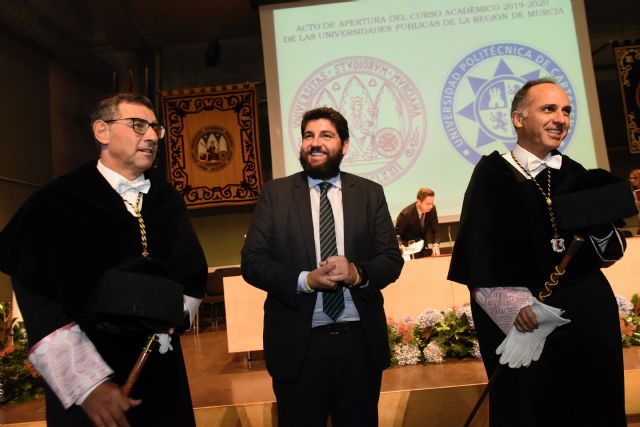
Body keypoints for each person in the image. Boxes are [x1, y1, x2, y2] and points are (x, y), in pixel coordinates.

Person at [0, 93, 207, 427]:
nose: (151, 136)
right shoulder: (56, 201)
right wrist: (88, 384)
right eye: (138, 125)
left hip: (160, 371)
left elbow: (191, 275)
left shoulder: (167, 199)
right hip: (92, 383)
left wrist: (173, 314)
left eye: (155, 128)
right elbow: (38, 295)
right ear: (102, 131)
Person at [448, 78, 632, 426]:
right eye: (549, 109)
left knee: (595, 403)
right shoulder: (492, 174)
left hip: (588, 311)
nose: (561, 119)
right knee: (533, 406)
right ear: (518, 119)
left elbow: (609, 253)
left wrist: (599, 220)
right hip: (529, 316)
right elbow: (478, 256)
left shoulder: (576, 174)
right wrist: (515, 306)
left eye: (566, 111)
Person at [241, 107, 404, 427]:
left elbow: (390, 259)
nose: (315, 143)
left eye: (326, 135)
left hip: (359, 345)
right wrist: (305, 280)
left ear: (345, 145)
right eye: (308, 136)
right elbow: (252, 262)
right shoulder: (275, 194)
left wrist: (357, 274)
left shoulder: (370, 193)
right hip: (298, 346)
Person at [395, 187, 441, 257]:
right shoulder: (405, 215)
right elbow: (397, 235)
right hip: (408, 252)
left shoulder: (432, 210)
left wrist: (436, 245)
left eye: (432, 203)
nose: (431, 206)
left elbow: (436, 230)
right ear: (419, 202)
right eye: (428, 204)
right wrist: (401, 246)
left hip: (423, 249)